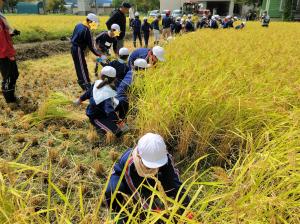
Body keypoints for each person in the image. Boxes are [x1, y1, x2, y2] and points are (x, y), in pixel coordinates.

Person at [105, 133, 191, 222]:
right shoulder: (130, 162)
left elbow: (175, 182)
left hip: (150, 178)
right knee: (112, 190)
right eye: (150, 165)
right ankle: (117, 213)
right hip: (127, 180)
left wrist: (187, 207)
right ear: (139, 156)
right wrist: (155, 212)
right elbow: (137, 191)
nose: (154, 167)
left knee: (170, 186)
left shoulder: (164, 157)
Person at [75, 66, 127, 138]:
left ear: (101, 75)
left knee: (123, 101)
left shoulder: (98, 83)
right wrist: (119, 123)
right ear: (114, 79)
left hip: (103, 111)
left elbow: (87, 93)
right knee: (118, 132)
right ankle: (99, 126)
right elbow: (110, 111)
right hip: (97, 116)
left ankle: (120, 120)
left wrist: (80, 100)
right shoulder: (106, 95)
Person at [71, 13, 102, 90]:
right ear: (90, 21)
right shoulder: (86, 30)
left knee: (79, 66)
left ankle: (82, 82)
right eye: (94, 23)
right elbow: (91, 46)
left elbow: (73, 36)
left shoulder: (78, 25)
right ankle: (87, 84)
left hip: (73, 47)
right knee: (82, 67)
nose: (94, 25)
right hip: (78, 49)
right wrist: (99, 54)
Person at [0, 0, 21, 104]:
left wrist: (12, 33)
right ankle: (10, 100)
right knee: (9, 76)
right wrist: (9, 54)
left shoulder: (1, 16)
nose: (2, 3)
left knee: (14, 74)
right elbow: (1, 39)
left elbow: (4, 34)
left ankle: (11, 96)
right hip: (4, 53)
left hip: (6, 51)